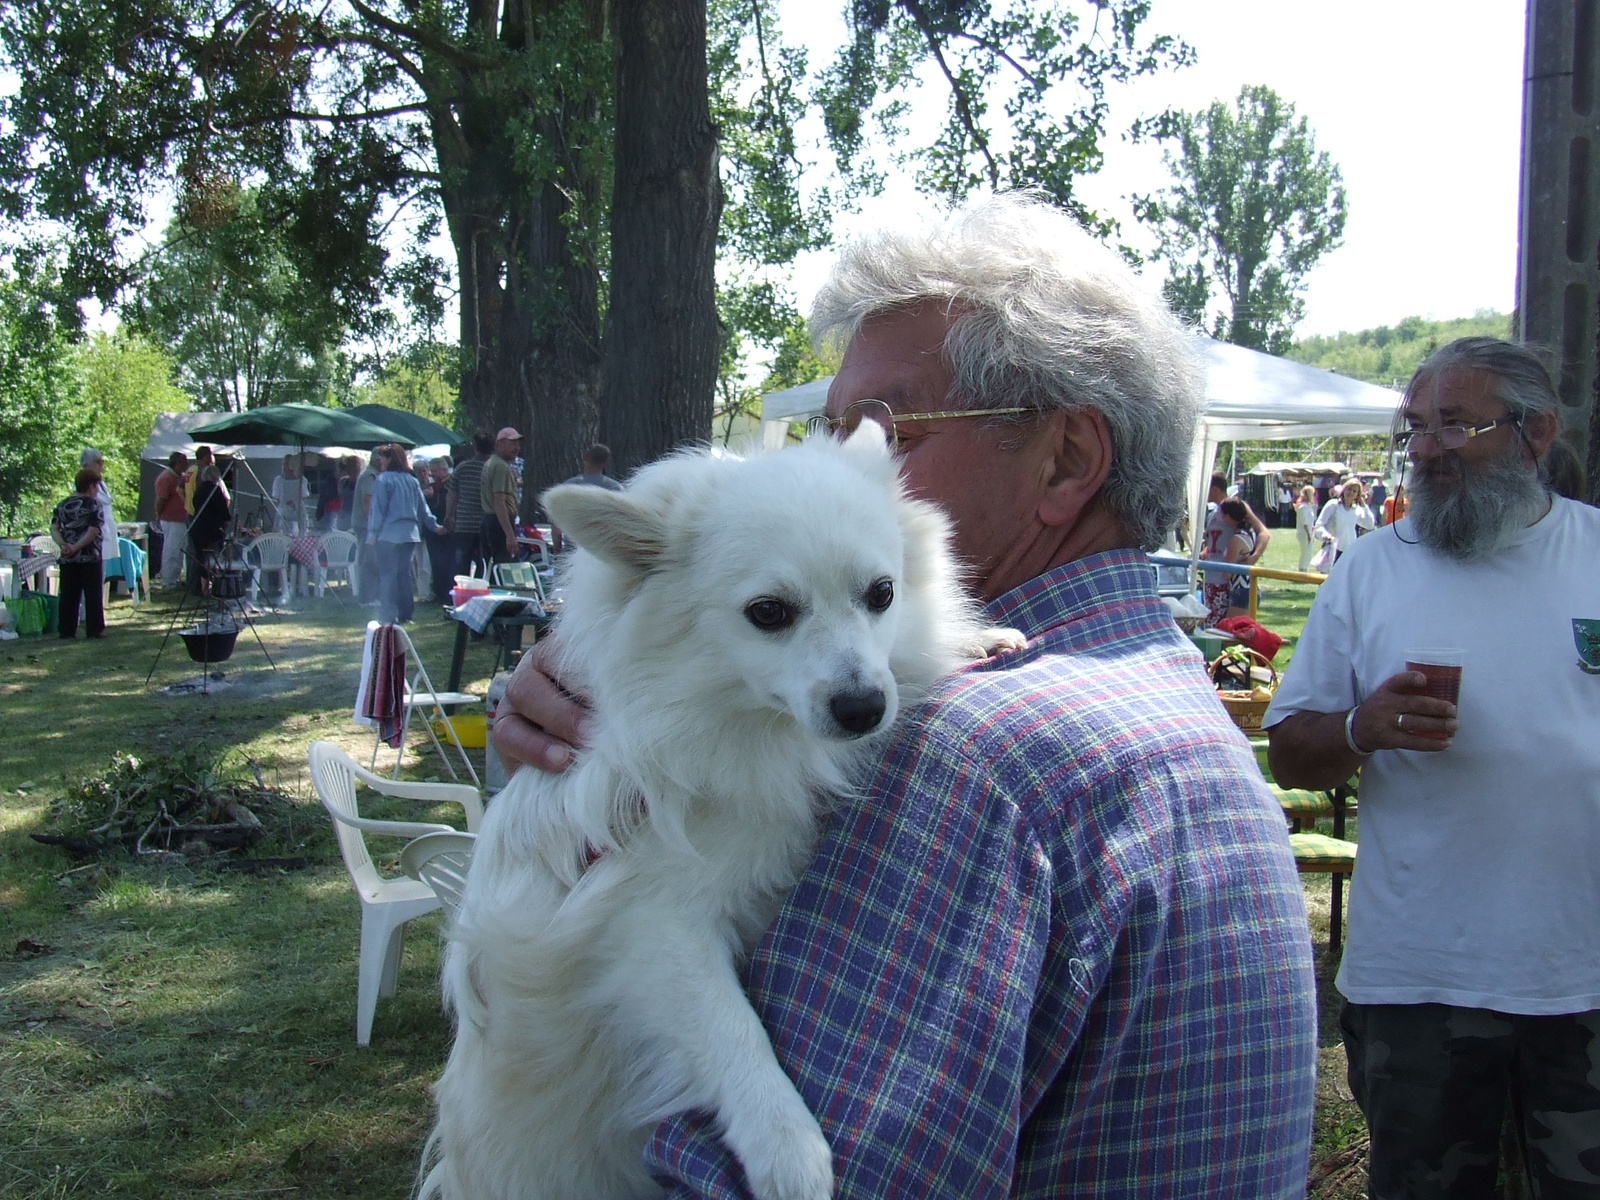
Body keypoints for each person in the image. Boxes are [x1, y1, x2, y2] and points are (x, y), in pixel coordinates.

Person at [493, 193, 1317, 1195]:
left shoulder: (975, 753)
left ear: (1065, 460)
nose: (837, 464)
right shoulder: (1167, 697)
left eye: (884, 428)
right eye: (836, 427)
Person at [1265, 337, 1600, 1199]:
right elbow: (1295, 745)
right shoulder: (1373, 568)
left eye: (1458, 425)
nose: (1424, 449)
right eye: (1415, 426)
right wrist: (1361, 725)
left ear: (1535, 434)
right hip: (1419, 979)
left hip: (1583, 972)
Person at [365, 444, 440, 625]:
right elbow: (424, 509)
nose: (380, 460)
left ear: (390, 459)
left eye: (383, 457)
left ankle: (388, 615)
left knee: (388, 575)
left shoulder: (383, 480)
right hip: (410, 535)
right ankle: (406, 613)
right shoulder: (412, 481)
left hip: (388, 535)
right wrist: (435, 525)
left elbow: (378, 510)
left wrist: (372, 535)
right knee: (404, 575)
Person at [1200, 472, 1269, 624]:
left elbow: (1263, 532)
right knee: (1211, 626)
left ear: (1215, 489)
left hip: (1227, 582)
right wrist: (1205, 553)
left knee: (1223, 629)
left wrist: (1253, 557)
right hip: (1211, 579)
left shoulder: (1235, 508)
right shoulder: (1213, 514)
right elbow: (1215, 542)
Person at [52, 467, 107, 640]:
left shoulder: (62, 505)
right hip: (89, 555)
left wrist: (63, 545)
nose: (97, 490)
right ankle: (94, 629)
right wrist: (76, 547)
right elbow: (92, 531)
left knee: (68, 593)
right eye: (97, 487)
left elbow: (54, 528)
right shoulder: (93, 505)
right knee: (92, 594)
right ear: (91, 487)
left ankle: (66, 629)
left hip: (68, 556)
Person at [446, 433, 492, 577]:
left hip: (464, 523)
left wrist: (449, 515)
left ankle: (460, 592)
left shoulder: (463, 468)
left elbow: (452, 494)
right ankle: (479, 591)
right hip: (486, 524)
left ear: (476, 449)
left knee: (461, 564)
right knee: (483, 564)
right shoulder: (493, 468)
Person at [480, 426, 523, 565]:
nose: (516, 447)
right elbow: (499, 502)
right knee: (505, 566)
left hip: (489, 520)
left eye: (518, 443)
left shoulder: (491, 463)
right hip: (499, 523)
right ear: (499, 444)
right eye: (512, 443)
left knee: (491, 566)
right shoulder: (500, 466)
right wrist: (510, 536)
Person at [1313, 478, 1374, 567]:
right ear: (1344, 489)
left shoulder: (1356, 510)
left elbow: (1370, 524)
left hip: (1349, 550)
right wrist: (1324, 534)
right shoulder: (1333, 505)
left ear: (1358, 495)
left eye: (1354, 491)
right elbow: (1319, 524)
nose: (1351, 493)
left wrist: (1364, 505)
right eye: (1349, 489)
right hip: (1333, 549)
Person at [351, 448, 385, 604]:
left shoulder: (373, 474)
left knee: (374, 561)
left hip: (367, 525)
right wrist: (375, 525)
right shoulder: (369, 476)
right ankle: (368, 598)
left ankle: (373, 596)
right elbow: (367, 501)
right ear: (378, 460)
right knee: (369, 561)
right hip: (366, 526)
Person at [153, 450, 189, 591]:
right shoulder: (166, 478)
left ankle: (175, 578)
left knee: (179, 551)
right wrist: (159, 514)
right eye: (185, 461)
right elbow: (161, 499)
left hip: (180, 520)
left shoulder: (178, 477)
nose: (187, 464)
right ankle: (168, 582)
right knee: (172, 550)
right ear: (178, 462)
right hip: (171, 520)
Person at [424, 456, 455, 604]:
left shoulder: (450, 483)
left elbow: (443, 505)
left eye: (435, 471)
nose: (432, 474)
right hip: (433, 530)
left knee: (445, 563)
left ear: (444, 469)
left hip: (446, 529)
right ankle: (438, 592)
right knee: (435, 563)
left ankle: (445, 594)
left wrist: (432, 497)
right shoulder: (434, 484)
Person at [271, 454, 309, 534]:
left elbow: (304, 496)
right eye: (288, 464)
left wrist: (295, 503)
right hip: (284, 510)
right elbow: (277, 496)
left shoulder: (302, 480)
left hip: (299, 509)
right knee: (284, 533)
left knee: (302, 531)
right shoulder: (279, 480)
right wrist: (286, 505)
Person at [1294, 483, 1319, 571]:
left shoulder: (1308, 506)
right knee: (1305, 552)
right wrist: (1308, 534)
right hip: (1304, 533)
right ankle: (1302, 570)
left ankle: (1304, 569)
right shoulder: (1303, 507)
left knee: (1308, 552)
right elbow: (1304, 522)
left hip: (1309, 531)